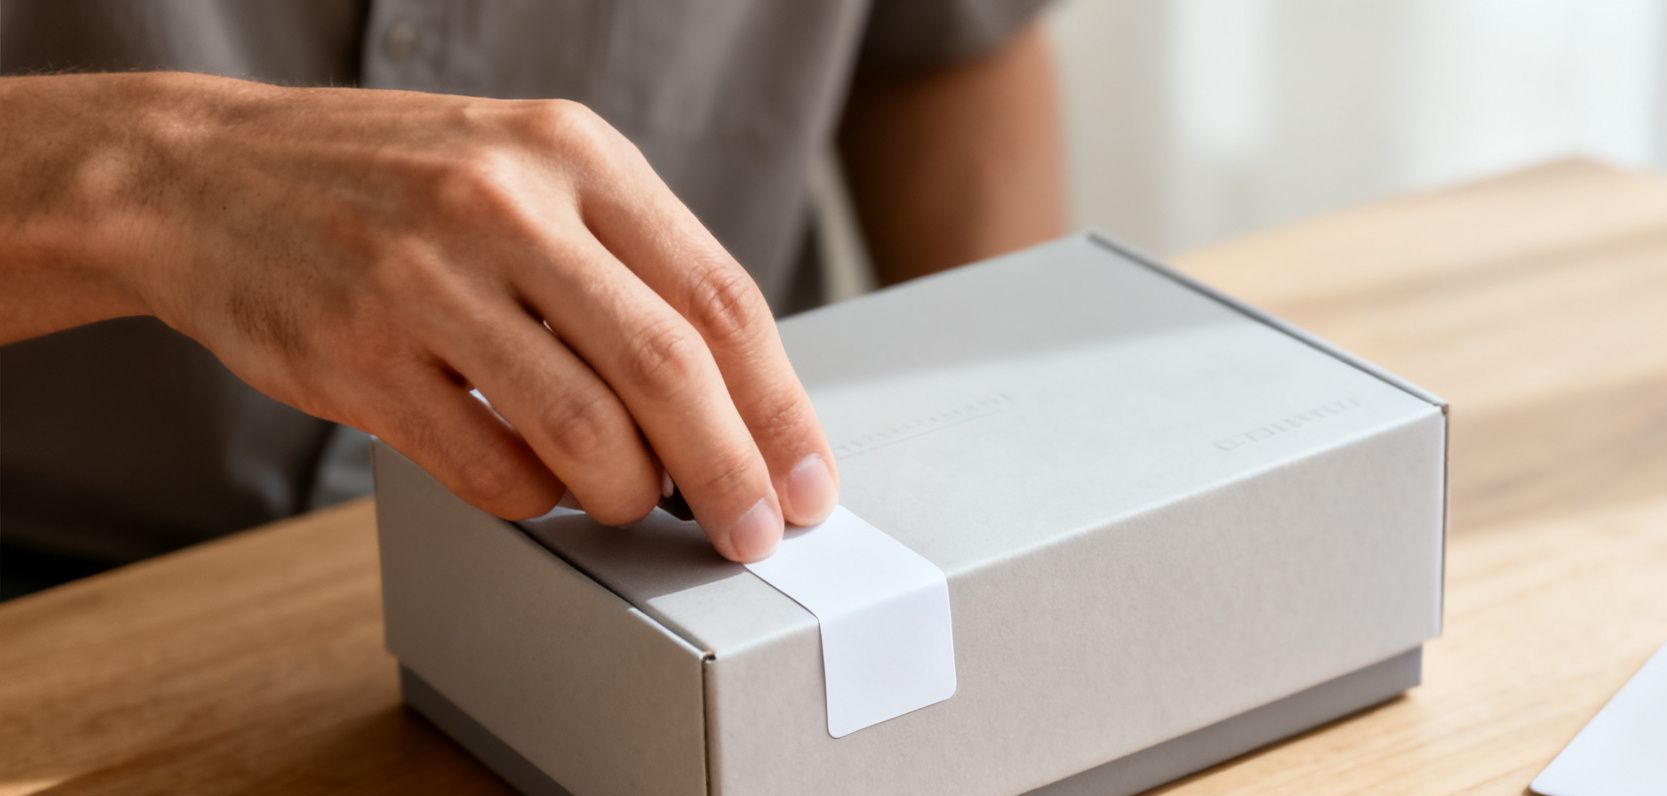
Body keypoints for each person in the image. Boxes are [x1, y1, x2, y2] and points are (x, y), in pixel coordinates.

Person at [0, 1, 1065, 598]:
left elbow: (946, 49)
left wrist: (998, 486)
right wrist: (154, 178)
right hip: (58, 591)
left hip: (682, 573)